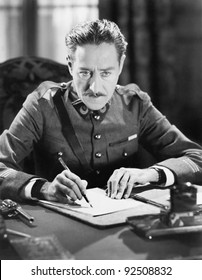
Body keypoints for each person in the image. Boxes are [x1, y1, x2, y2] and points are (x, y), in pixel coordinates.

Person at [0, 19, 202, 203]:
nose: (95, 87)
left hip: (122, 223)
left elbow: (195, 158)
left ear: (121, 65)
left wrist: (149, 174)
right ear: (71, 66)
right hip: (59, 222)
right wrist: (44, 188)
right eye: (85, 72)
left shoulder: (135, 104)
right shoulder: (42, 104)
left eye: (106, 73)